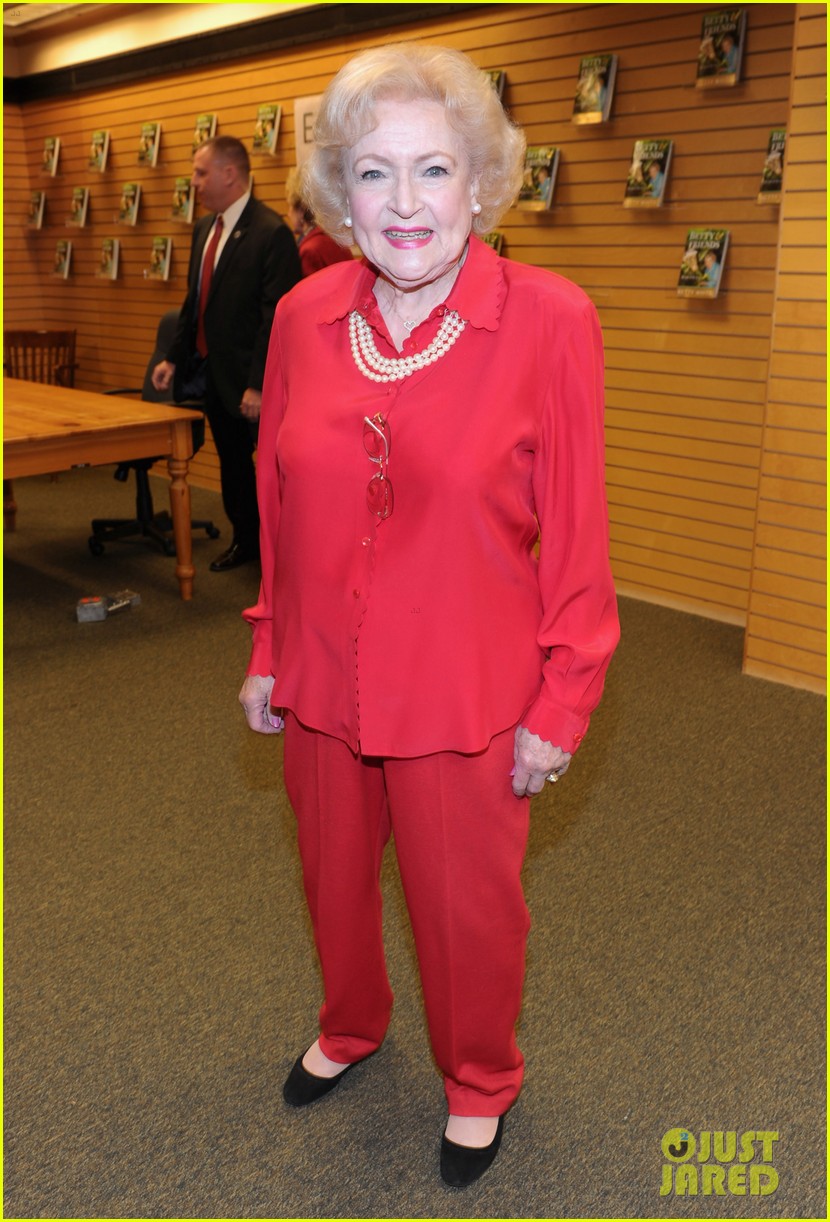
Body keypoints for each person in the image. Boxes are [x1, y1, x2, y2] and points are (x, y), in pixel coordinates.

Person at [238, 43, 619, 1187]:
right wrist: (264, 642)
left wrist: (562, 696)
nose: (403, 204)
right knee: (331, 877)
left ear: (481, 185)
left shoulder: (549, 318)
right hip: (317, 674)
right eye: (372, 173)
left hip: (465, 686)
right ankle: (351, 1023)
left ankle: (478, 1077)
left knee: (467, 912)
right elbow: (275, 491)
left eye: (433, 170)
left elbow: (580, 534)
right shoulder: (304, 313)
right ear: (336, 191)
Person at [152, 136, 301, 571]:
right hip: (214, 374)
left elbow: (276, 319)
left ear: (229, 174)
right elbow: (195, 302)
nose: (194, 182)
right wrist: (172, 357)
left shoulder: (271, 233)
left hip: (254, 382)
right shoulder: (203, 229)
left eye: (201, 173)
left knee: (271, 470)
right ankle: (245, 540)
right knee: (233, 464)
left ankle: (285, 554)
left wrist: (258, 383)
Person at [284, 165, 354, 276]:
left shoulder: (309, 251)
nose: (288, 214)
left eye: (290, 207)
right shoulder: (333, 237)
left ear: (301, 211)